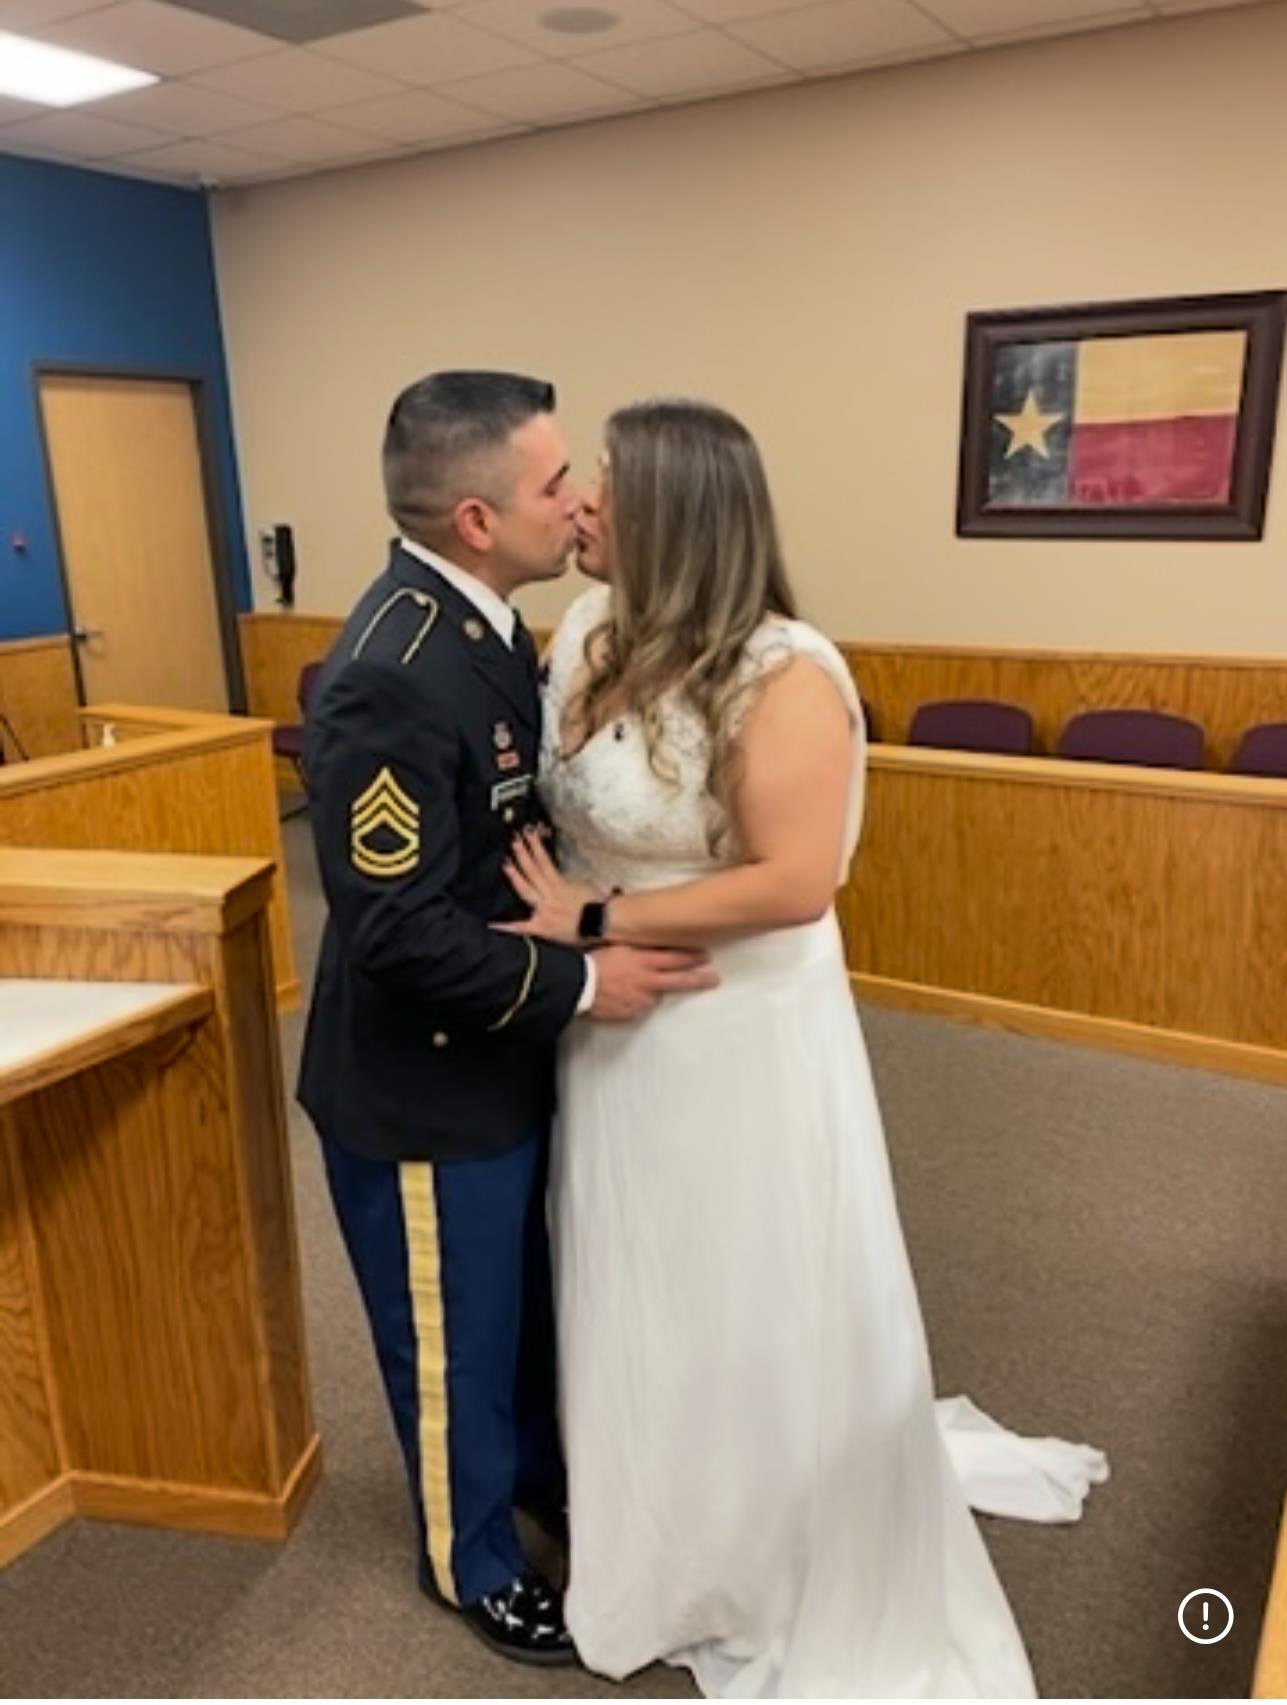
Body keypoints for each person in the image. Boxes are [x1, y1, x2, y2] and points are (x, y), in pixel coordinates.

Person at [500, 398, 1108, 1696]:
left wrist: (598, 912)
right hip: (615, 1029)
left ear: (678, 513)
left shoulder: (785, 671)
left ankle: (760, 1546)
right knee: (633, 1273)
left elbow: (791, 881)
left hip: (734, 1027)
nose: (583, 506)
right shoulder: (589, 628)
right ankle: (655, 1528)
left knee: (744, 1281)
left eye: (606, 485)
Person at [297, 372, 717, 1668]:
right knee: (449, 1333)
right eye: (553, 482)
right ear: (477, 517)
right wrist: (586, 981)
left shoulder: (480, 627)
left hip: (494, 1055)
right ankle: (470, 1558)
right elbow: (396, 930)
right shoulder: (392, 670)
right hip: (420, 1084)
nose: (581, 499)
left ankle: (535, 1475)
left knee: (513, 1307)